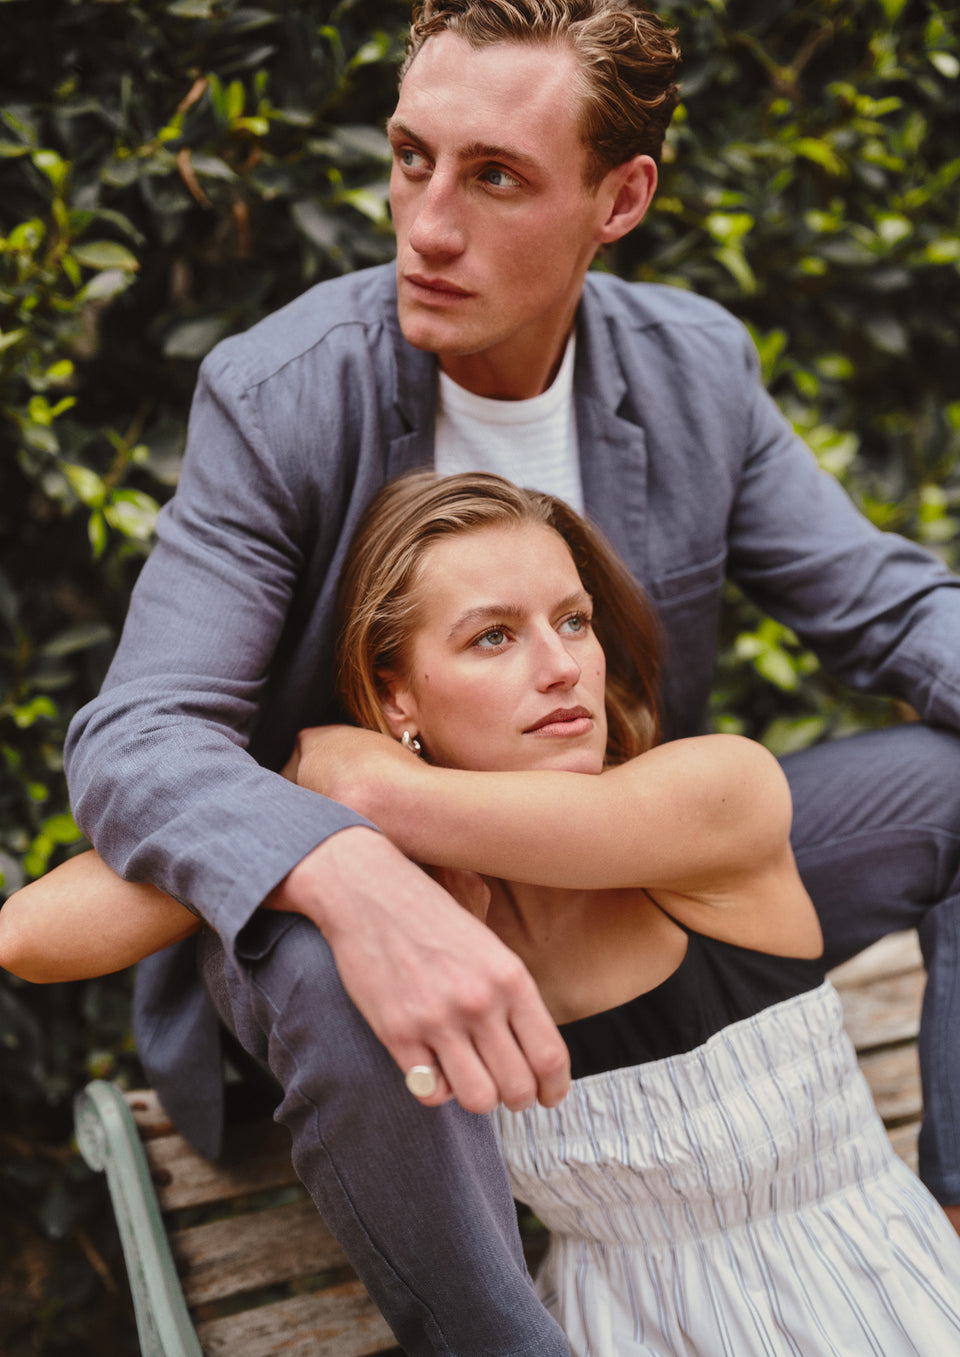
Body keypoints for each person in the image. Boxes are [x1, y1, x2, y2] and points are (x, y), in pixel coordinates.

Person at [55, 0, 960, 1348]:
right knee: (324, 948)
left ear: (620, 197)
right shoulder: (283, 392)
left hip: (604, 885)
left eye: (494, 176)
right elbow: (139, 736)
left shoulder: (694, 371)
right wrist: (353, 871)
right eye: (412, 156)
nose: (425, 224)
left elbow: (889, 607)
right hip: (382, 939)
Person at [6, 471, 960, 1356]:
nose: (560, 667)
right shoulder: (407, 908)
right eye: (492, 636)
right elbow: (33, 936)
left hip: (871, 1302)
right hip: (610, 1330)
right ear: (397, 694)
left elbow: (397, 798)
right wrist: (297, 793)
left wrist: (345, 774)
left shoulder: (718, 795)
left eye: (574, 621)